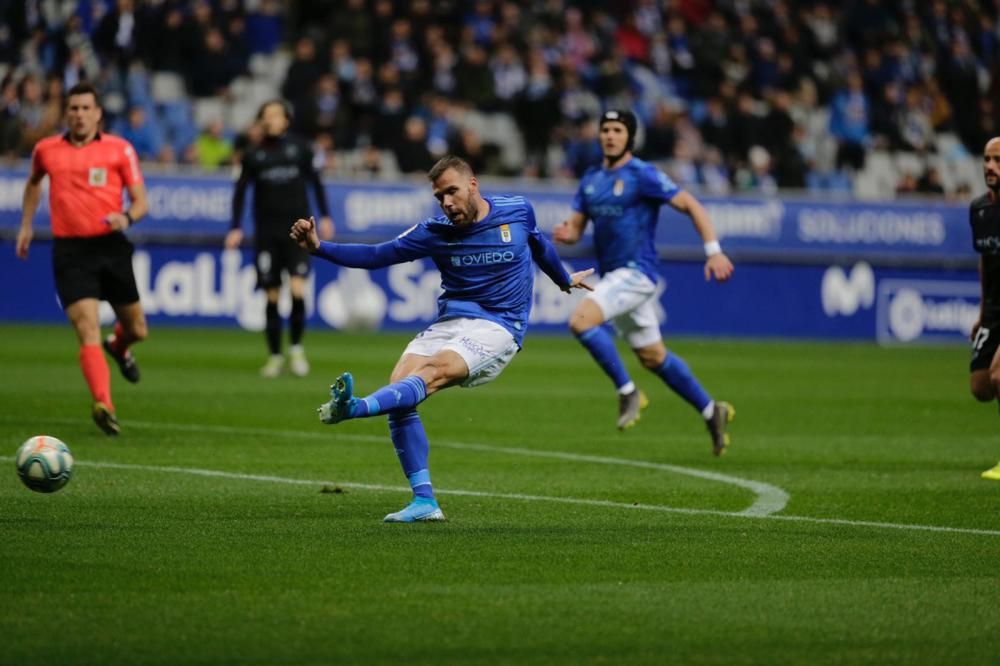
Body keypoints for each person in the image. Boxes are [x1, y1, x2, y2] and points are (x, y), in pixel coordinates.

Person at [289, 155, 593, 522]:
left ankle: (355, 407)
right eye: (439, 197)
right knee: (401, 387)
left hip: (499, 325)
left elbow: (539, 245)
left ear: (473, 185)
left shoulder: (517, 210)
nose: (447, 202)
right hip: (450, 322)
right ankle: (424, 502)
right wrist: (320, 248)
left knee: (432, 372)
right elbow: (376, 255)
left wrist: (563, 279)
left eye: (452, 191)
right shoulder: (434, 231)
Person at [553, 109, 736, 455]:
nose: (610, 135)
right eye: (605, 129)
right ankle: (713, 411)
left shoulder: (643, 174)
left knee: (580, 321)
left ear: (629, 137)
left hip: (637, 273)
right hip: (615, 278)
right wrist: (568, 232)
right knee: (653, 357)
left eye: (617, 130)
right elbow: (577, 227)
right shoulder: (591, 179)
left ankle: (628, 392)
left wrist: (713, 251)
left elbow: (691, 205)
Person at [16, 82, 149, 436]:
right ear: (66, 113)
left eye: (85, 108)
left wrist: (127, 218)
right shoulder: (46, 150)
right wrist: (26, 225)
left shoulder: (120, 150)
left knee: (137, 329)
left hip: (111, 245)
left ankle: (119, 346)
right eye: (73, 108)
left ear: (98, 113)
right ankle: (104, 403)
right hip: (71, 251)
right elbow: (33, 183)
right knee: (87, 328)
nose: (79, 114)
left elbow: (141, 201)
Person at [227, 99, 335, 378]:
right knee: (272, 295)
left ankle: (296, 349)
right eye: (266, 116)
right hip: (266, 235)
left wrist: (325, 216)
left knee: (298, 291)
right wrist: (236, 226)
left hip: (298, 234)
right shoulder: (252, 154)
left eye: (275, 115)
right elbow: (240, 192)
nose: (271, 120)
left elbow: (316, 182)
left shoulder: (300, 149)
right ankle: (275, 355)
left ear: (286, 120)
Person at [969, 136, 1000, 481]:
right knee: (981, 387)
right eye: (987, 159)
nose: (990, 167)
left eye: (998, 160)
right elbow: (985, 262)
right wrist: (982, 315)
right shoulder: (979, 210)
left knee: (999, 375)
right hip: (994, 309)